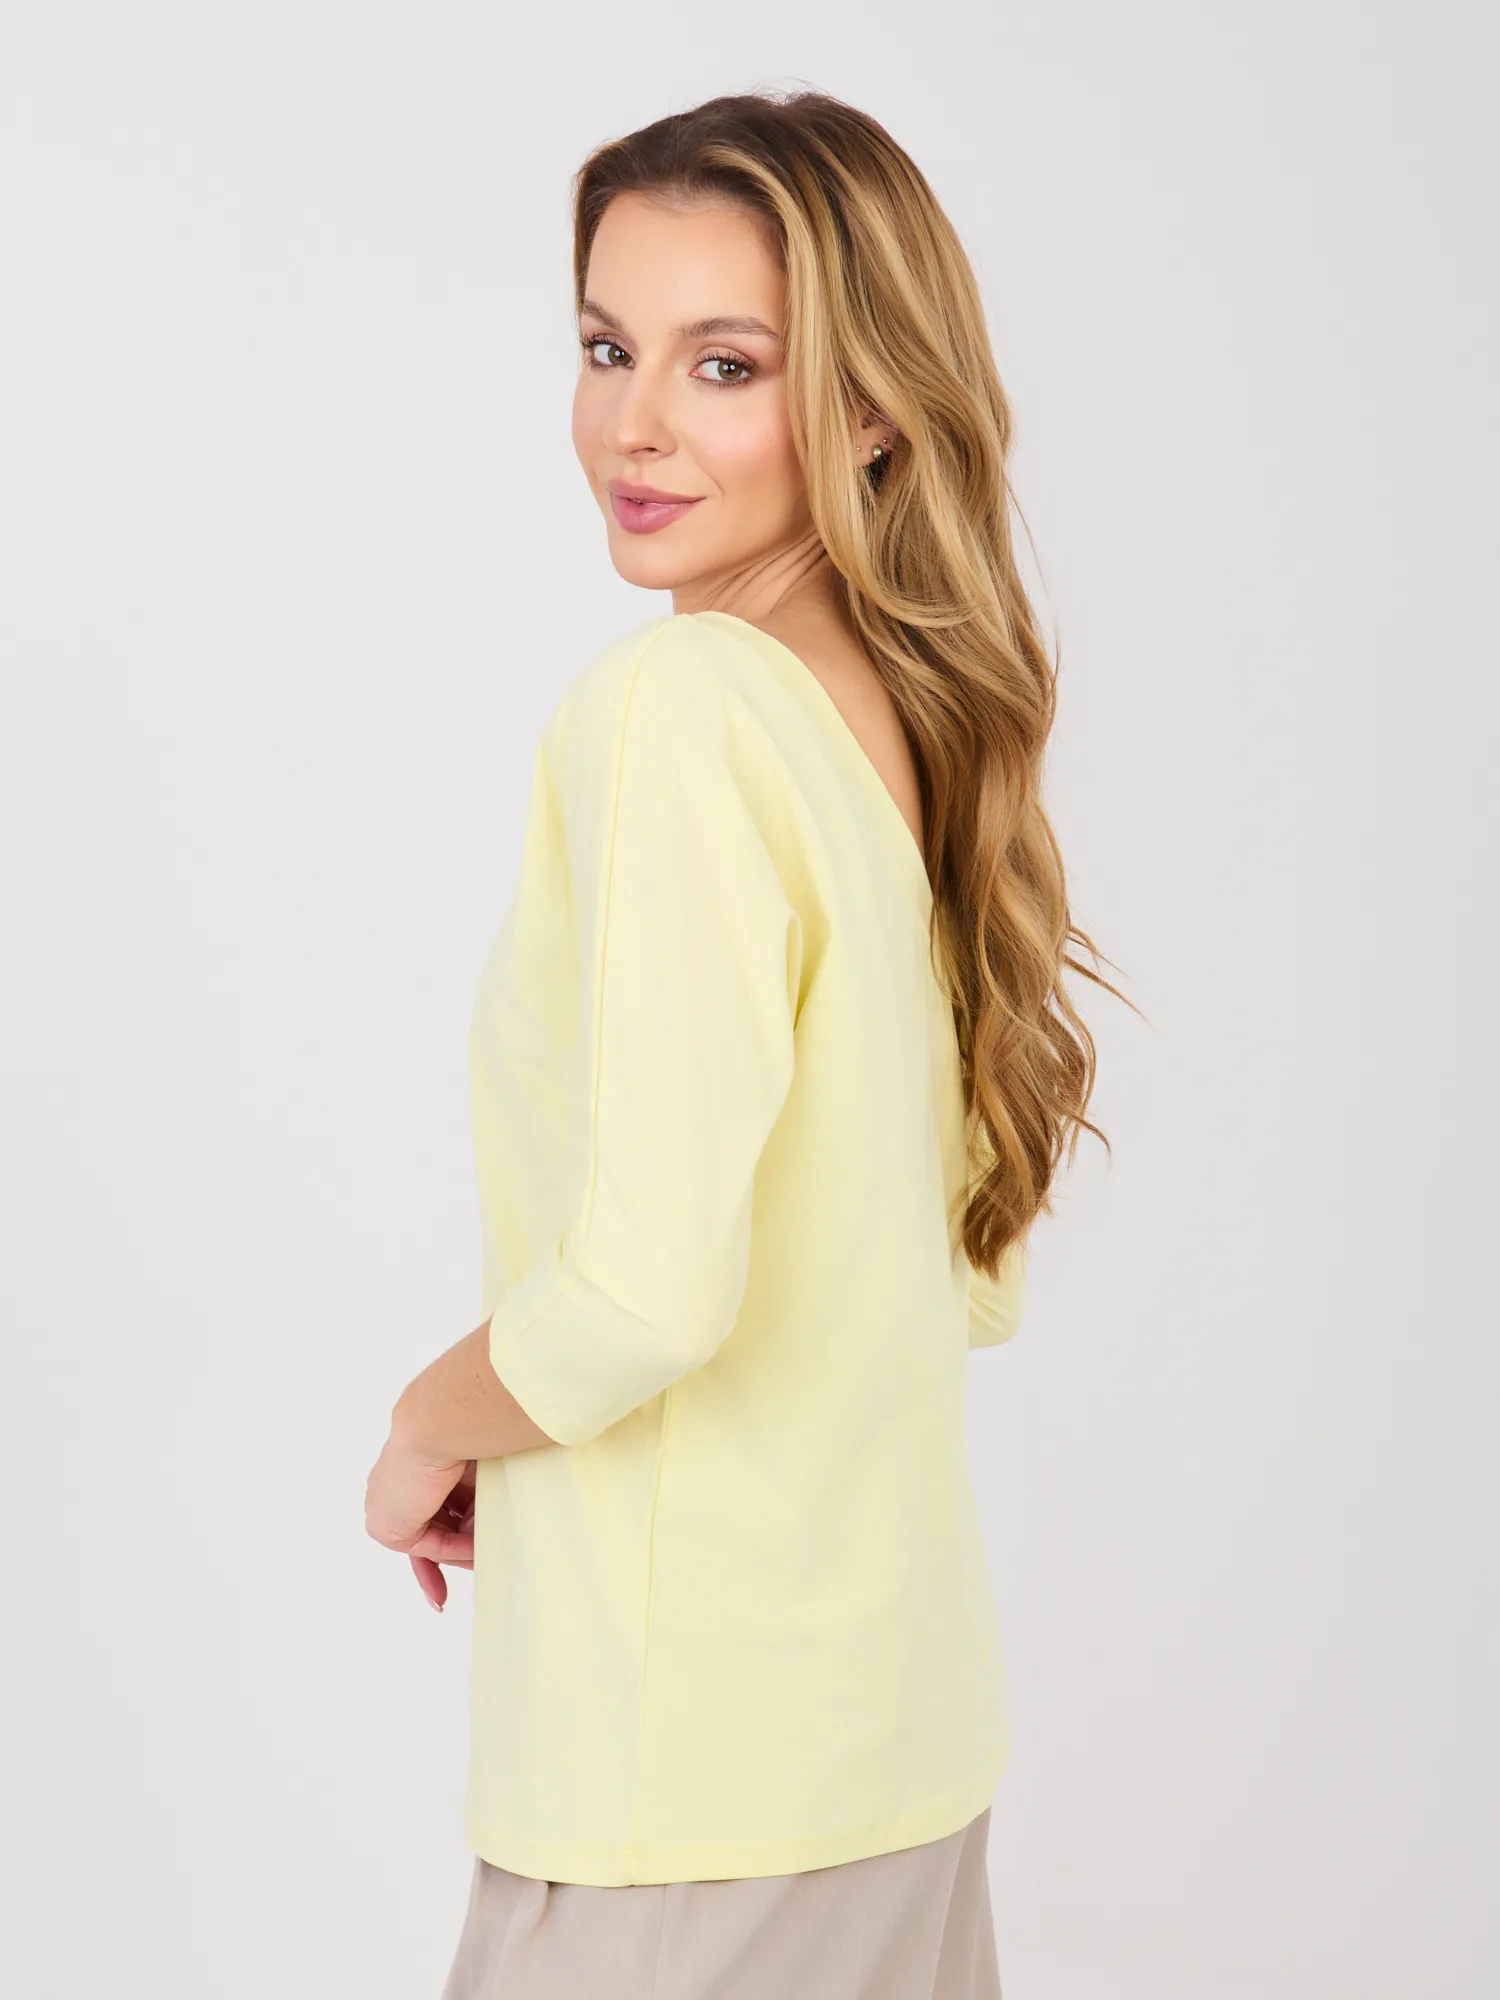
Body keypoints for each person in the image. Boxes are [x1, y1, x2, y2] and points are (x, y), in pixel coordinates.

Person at [364, 85, 1126, 2000]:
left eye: (723, 365)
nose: (634, 424)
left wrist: (425, 1426)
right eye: (605, 347)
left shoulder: (684, 710)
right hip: (893, 1759)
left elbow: (643, 1291)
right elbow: (960, 1277)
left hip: (683, 1803)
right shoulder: (900, 734)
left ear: (869, 405)